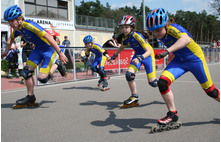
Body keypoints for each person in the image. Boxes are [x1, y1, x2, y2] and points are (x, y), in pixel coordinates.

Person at [146, 8, 220, 127]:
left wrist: (167, 51)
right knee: (163, 83)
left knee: (210, 91)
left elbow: (185, 40)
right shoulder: (160, 33)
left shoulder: (173, 28)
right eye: (153, 31)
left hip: (195, 59)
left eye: (158, 30)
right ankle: (172, 114)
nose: (156, 34)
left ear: (165, 24)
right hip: (179, 60)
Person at [2, 5, 68, 107]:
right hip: (38, 50)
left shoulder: (29, 25)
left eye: (12, 21)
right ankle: (30, 96)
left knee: (42, 78)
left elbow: (49, 37)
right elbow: (10, 39)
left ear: (19, 18)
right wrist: (6, 52)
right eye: (9, 22)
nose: (10, 24)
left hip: (49, 50)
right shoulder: (18, 29)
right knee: (26, 72)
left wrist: (60, 53)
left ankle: (57, 64)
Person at [109, 15, 158, 108]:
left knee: (153, 83)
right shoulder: (125, 38)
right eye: (122, 27)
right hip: (137, 56)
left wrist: (140, 58)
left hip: (147, 56)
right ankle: (134, 96)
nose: (124, 29)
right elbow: (121, 47)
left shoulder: (137, 36)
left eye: (126, 27)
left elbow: (149, 51)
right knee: (129, 75)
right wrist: (114, 56)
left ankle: (164, 83)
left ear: (132, 27)